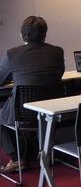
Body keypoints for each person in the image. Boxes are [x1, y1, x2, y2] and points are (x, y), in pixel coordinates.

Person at [0, 16, 64, 173]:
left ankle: (16, 159)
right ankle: (41, 150)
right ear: (45, 35)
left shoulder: (12, 54)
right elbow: (58, 74)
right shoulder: (57, 52)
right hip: (49, 111)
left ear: (22, 35)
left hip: (22, 113)